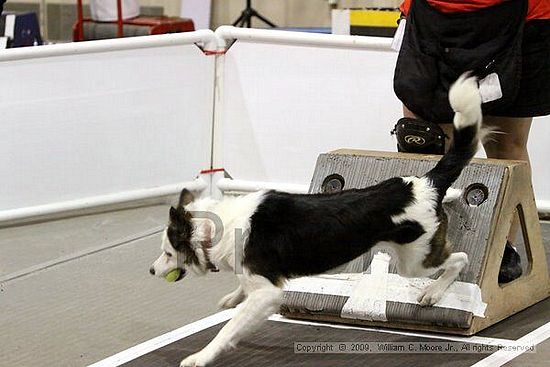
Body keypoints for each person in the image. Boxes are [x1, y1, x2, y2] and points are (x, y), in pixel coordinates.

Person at [392, 0, 550, 283]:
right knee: (422, 140)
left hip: (522, 15)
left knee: (505, 145)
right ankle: (421, 239)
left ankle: (503, 247)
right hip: (432, 14)